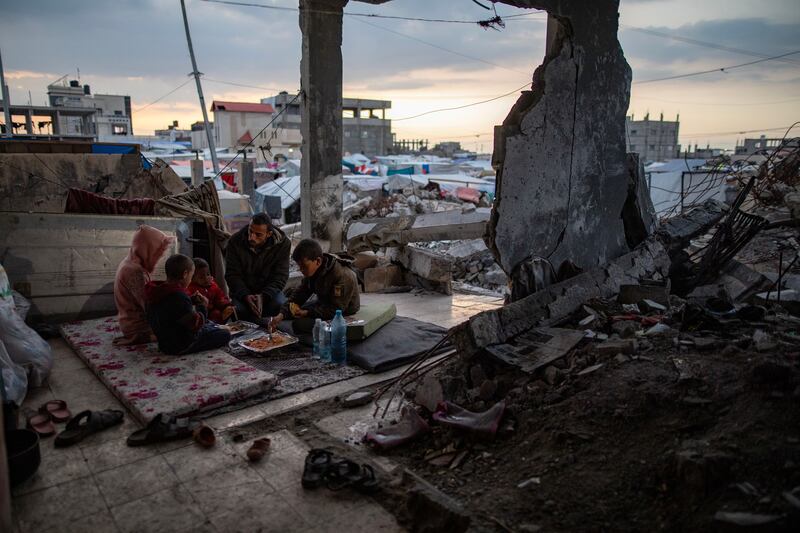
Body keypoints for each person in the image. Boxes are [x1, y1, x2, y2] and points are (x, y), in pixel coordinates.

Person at [145, 254, 231, 355]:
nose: (190, 279)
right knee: (225, 334)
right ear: (185, 274)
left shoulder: (157, 291)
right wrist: (203, 306)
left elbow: (172, 310)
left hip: (164, 343)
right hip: (181, 345)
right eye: (191, 275)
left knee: (211, 326)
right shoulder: (178, 296)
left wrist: (191, 300)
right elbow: (196, 325)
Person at [270, 239, 360, 328]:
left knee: (299, 324)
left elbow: (335, 309)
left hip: (343, 311)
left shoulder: (342, 276)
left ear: (318, 261)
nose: (301, 270)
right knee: (287, 311)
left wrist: (307, 313)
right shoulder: (313, 270)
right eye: (299, 266)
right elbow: (299, 295)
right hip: (324, 303)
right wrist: (281, 315)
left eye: (304, 266)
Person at [113, 225, 174, 345]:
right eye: (158, 251)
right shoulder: (134, 271)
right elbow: (149, 306)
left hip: (127, 322)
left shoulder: (130, 261)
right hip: (138, 328)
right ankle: (143, 337)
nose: (161, 255)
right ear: (147, 249)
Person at [225, 213, 290, 323]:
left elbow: (280, 276)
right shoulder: (235, 241)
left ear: (269, 234)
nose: (252, 237)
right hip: (243, 292)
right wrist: (245, 295)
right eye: (250, 231)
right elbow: (232, 275)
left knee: (280, 306)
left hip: (269, 292)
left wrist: (264, 296)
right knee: (238, 311)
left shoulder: (283, 244)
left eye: (258, 235)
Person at [187, 258, 235, 323]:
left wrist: (226, 305)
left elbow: (220, 296)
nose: (206, 278)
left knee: (226, 311)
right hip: (202, 314)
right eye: (201, 277)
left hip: (214, 310)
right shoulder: (191, 288)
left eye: (208, 274)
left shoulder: (212, 285)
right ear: (192, 278)